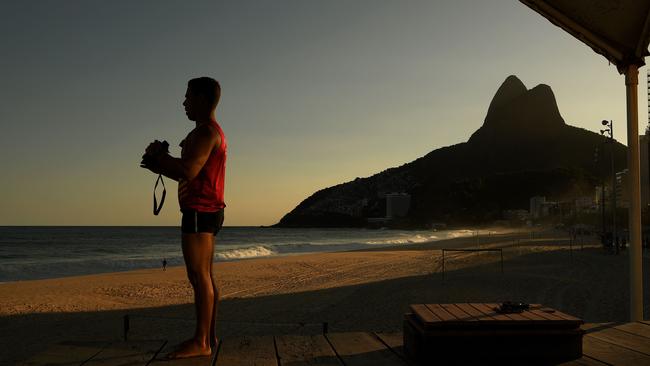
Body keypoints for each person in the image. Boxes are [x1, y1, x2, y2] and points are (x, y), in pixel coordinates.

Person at [141, 77, 226, 359]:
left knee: (199, 275)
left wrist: (160, 156)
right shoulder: (205, 132)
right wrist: (159, 166)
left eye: (188, 97)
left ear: (202, 99)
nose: (184, 102)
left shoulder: (205, 134)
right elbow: (188, 172)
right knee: (204, 276)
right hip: (204, 209)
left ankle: (201, 342)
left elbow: (188, 170)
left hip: (201, 210)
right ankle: (208, 336)